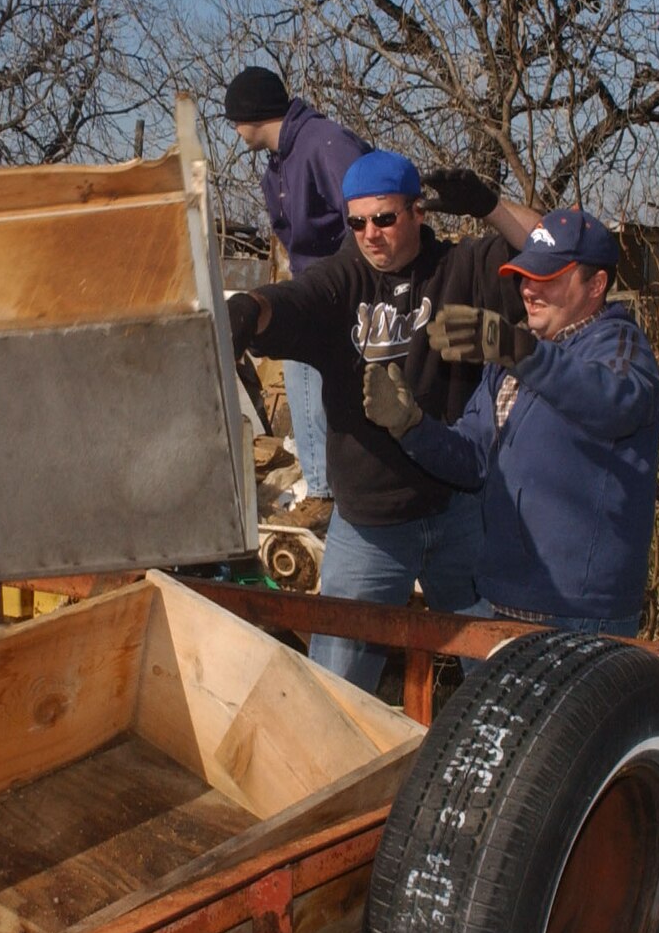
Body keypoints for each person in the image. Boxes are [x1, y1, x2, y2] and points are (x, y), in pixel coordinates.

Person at [224, 150, 536, 691]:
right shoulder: (342, 283)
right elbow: (290, 300)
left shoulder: (460, 269)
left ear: (419, 213)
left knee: (500, 677)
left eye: (385, 219)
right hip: (369, 526)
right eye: (357, 222)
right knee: (334, 693)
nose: (371, 234)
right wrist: (247, 310)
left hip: (458, 510)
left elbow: (558, 252)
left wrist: (489, 206)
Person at [361, 206, 659, 635]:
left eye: (548, 278)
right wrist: (412, 427)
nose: (528, 290)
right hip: (503, 599)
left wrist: (520, 351)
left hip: (580, 613)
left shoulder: (619, 346)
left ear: (596, 285)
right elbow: (473, 458)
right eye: (524, 276)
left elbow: (613, 403)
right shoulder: (515, 353)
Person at [222, 66, 369, 522]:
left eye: (234, 119)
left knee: (304, 361)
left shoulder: (323, 143)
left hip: (343, 283)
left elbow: (366, 208)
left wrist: (346, 279)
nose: (233, 129)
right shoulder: (281, 159)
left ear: (251, 114)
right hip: (313, 280)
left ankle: (325, 494)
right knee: (298, 361)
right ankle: (324, 488)